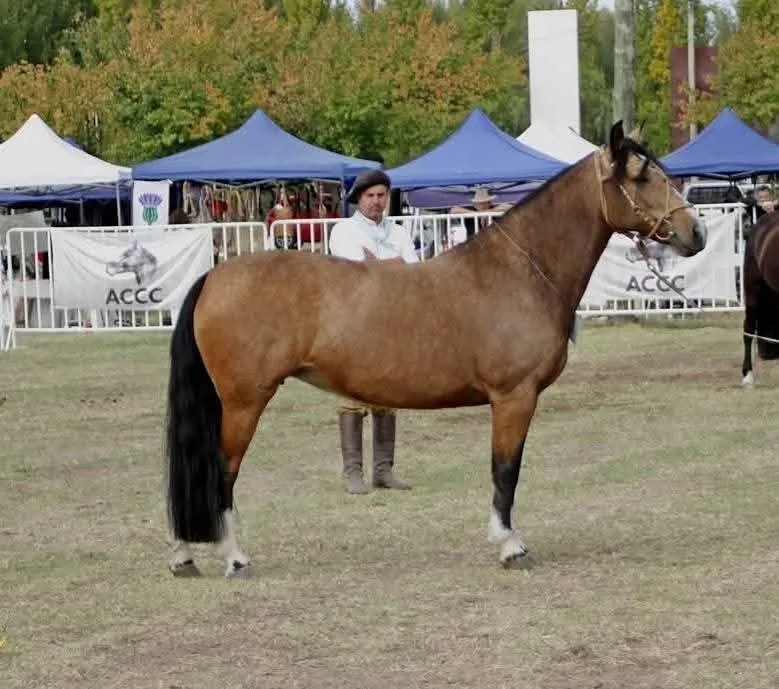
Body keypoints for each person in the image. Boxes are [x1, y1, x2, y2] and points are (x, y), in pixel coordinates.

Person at [328, 169, 418, 494]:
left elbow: (413, 270)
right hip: (354, 322)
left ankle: (383, 470)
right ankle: (353, 471)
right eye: (371, 196)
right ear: (359, 198)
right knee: (352, 394)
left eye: (382, 195)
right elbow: (357, 272)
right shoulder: (344, 230)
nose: (377, 201)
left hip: (391, 322)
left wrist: (379, 265)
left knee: (388, 395)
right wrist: (392, 265)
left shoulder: (399, 231)